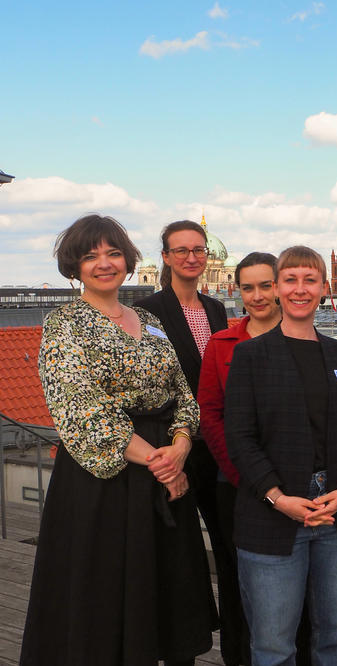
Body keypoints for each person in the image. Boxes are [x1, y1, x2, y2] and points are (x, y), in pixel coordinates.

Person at [21, 214, 216, 665]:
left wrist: (182, 446)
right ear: (75, 267)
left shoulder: (147, 319)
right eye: (91, 256)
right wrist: (161, 463)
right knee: (104, 592)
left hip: (167, 467)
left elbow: (182, 392)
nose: (104, 263)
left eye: (113, 253)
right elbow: (82, 408)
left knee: (167, 591)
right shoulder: (65, 324)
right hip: (105, 480)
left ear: (128, 260)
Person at [225, 245, 337, 666]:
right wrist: (277, 497)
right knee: (273, 647)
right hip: (271, 514)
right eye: (290, 280)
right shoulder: (251, 356)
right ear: (276, 289)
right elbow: (240, 438)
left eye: (310, 280)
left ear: (325, 288)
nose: (300, 289)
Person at [199, 252, 315, 666]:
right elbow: (210, 414)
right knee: (238, 583)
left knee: (299, 585)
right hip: (237, 486)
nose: (258, 296)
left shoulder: (307, 340)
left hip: (296, 487)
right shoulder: (222, 343)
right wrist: (245, 474)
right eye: (248, 287)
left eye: (266, 285)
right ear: (237, 291)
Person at [135, 219, 232, 645]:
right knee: (178, 555)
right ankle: (179, 643)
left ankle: (236, 643)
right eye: (182, 250)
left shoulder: (214, 309)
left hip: (214, 444)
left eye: (198, 250)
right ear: (166, 258)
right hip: (172, 446)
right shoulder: (148, 310)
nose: (192, 257)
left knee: (229, 548)